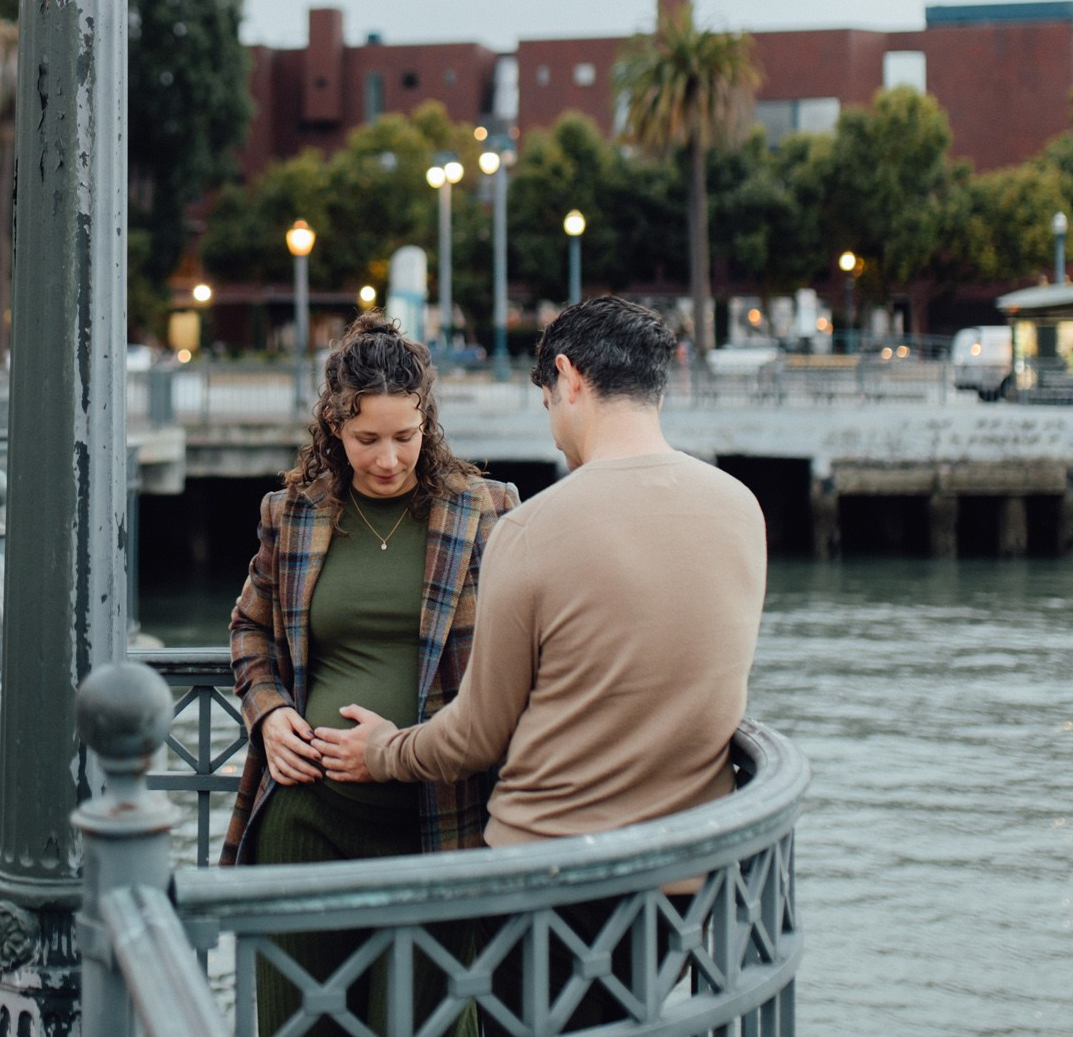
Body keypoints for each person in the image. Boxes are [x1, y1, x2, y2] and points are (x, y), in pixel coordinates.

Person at [312, 296, 768, 1026]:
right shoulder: (741, 506)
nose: (553, 425)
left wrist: (383, 750)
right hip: (685, 876)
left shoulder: (531, 528)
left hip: (548, 880)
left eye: (548, 400)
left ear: (567, 378)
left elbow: (477, 735)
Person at [224, 313, 518, 1032]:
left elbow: (533, 650)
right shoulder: (292, 513)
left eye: (405, 436)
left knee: (435, 1024)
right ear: (334, 427)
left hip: (441, 820)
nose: (388, 458)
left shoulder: (490, 513)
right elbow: (250, 629)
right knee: (302, 1025)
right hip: (306, 816)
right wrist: (267, 710)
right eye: (366, 439)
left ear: (428, 422)